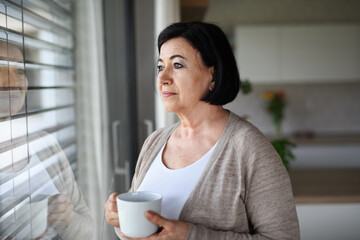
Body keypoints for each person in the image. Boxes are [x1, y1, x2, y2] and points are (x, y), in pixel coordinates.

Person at [104, 21, 300, 240]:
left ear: (213, 76)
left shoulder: (249, 148)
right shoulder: (155, 142)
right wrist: (123, 221)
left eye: (177, 65)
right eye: (161, 67)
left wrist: (191, 236)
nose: (162, 78)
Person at [0, 40, 93, 239]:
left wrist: (67, 220)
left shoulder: (45, 144)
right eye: (0, 68)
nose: (13, 82)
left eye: (20, 71)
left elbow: (88, 227)